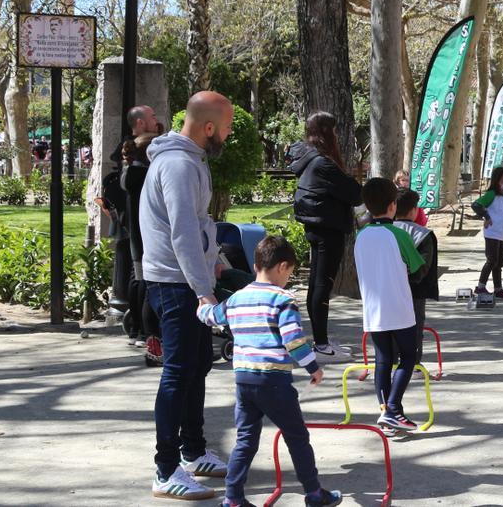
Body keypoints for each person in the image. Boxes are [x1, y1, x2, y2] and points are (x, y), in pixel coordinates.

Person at [196, 236, 343, 507]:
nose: (287, 279)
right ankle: (313, 493)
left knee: (246, 440)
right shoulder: (283, 299)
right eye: (289, 273)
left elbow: (213, 316)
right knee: (297, 437)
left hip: (244, 381)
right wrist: (313, 367)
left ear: (255, 266)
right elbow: (293, 340)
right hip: (274, 381)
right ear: (282, 267)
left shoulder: (237, 298)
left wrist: (201, 308)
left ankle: (233, 498)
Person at [141, 91, 233, 500]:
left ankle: (193, 451)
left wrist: (214, 261)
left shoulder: (191, 160)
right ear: (208, 127)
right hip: (174, 284)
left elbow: (197, 225)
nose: (228, 137)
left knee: (198, 364)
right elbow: (181, 232)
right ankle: (165, 469)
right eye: (226, 130)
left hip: (189, 280)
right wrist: (202, 292)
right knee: (178, 371)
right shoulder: (178, 164)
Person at [355, 178, 426, 431]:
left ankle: (385, 411)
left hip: (373, 308)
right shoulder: (398, 234)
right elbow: (418, 268)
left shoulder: (361, 235)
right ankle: (394, 406)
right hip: (399, 306)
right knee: (408, 357)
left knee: (383, 359)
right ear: (393, 205)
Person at [291, 112, 363, 359]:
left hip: (317, 226)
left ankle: (321, 339)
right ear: (325, 132)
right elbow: (354, 194)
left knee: (317, 284)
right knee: (322, 285)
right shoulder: (323, 163)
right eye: (333, 130)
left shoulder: (310, 158)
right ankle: (321, 345)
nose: (336, 134)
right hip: (327, 229)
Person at [123, 132, 162, 359]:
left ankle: (141, 332)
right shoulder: (145, 176)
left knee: (141, 283)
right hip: (147, 238)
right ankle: (149, 335)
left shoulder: (132, 174)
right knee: (147, 287)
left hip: (139, 238)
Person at [394, 189, 439, 364]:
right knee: (414, 327)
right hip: (415, 292)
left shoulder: (383, 231)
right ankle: (413, 363)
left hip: (387, 290)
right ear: (414, 210)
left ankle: (389, 360)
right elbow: (423, 268)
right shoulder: (423, 234)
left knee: (389, 327)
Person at [471, 166, 503, 299]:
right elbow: (476, 205)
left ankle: (498, 289)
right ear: (497, 181)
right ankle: (480, 287)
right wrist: (486, 216)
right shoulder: (491, 195)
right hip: (492, 233)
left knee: (499, 263)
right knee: (491, 260)